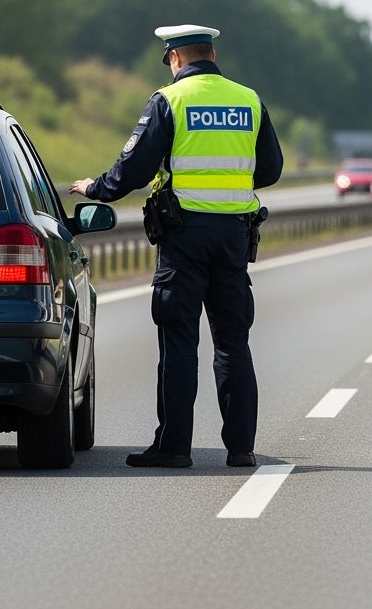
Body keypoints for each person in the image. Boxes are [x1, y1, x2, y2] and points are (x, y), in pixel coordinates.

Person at [69, 24, 284, 469]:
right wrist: (230, 183)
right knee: (232, 343)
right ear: (212, 54)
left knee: (179, 341)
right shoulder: (248, 99)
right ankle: (241, 449)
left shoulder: (170, 100)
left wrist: (96, 188)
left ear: (175, 58)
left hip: (184, 237)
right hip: (234, 237)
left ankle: (174, 447)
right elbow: (271, 169)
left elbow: (133, 169)